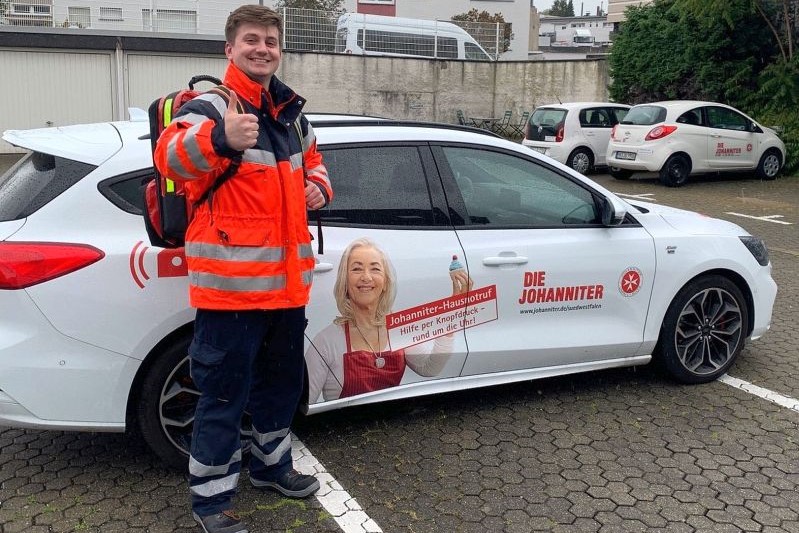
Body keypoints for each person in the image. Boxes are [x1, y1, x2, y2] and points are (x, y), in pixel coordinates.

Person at [153, 6, 332, 533]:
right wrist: (220, 138)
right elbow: (169, 159)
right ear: (229, 49)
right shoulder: (211, 106)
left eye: (271, 41)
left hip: (287, 291)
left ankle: (272, 468)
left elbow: (316, 163)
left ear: (280, 50)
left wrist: (319, 188)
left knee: (279, 389)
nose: (262, 48)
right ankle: (211, 502)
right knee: (223, 397)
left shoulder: (291, 115)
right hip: (230, 295)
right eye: (251, 39)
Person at [305, 238, 472, 402]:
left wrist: (451, 316)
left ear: (385, 282)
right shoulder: (326, 342)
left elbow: (429, 368)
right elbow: (304, 403)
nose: (366, 277)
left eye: (375, 269)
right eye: (357, 269)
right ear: (345, 282)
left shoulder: (398, 328)